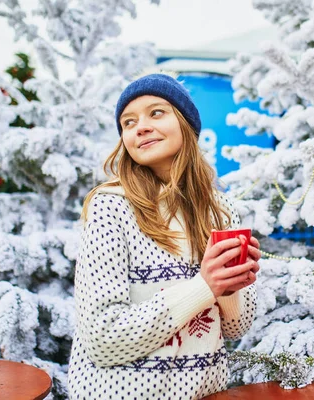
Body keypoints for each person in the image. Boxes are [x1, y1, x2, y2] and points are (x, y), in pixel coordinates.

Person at [68, 73, 260, 400]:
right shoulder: (110, 206)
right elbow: (102, 338)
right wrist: (204, 286)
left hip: (203, 393)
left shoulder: (221, 209)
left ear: (185, 124)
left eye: (156, 113)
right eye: (128, 122)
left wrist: (228, 284)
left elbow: (234, 328)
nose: (140, 126)